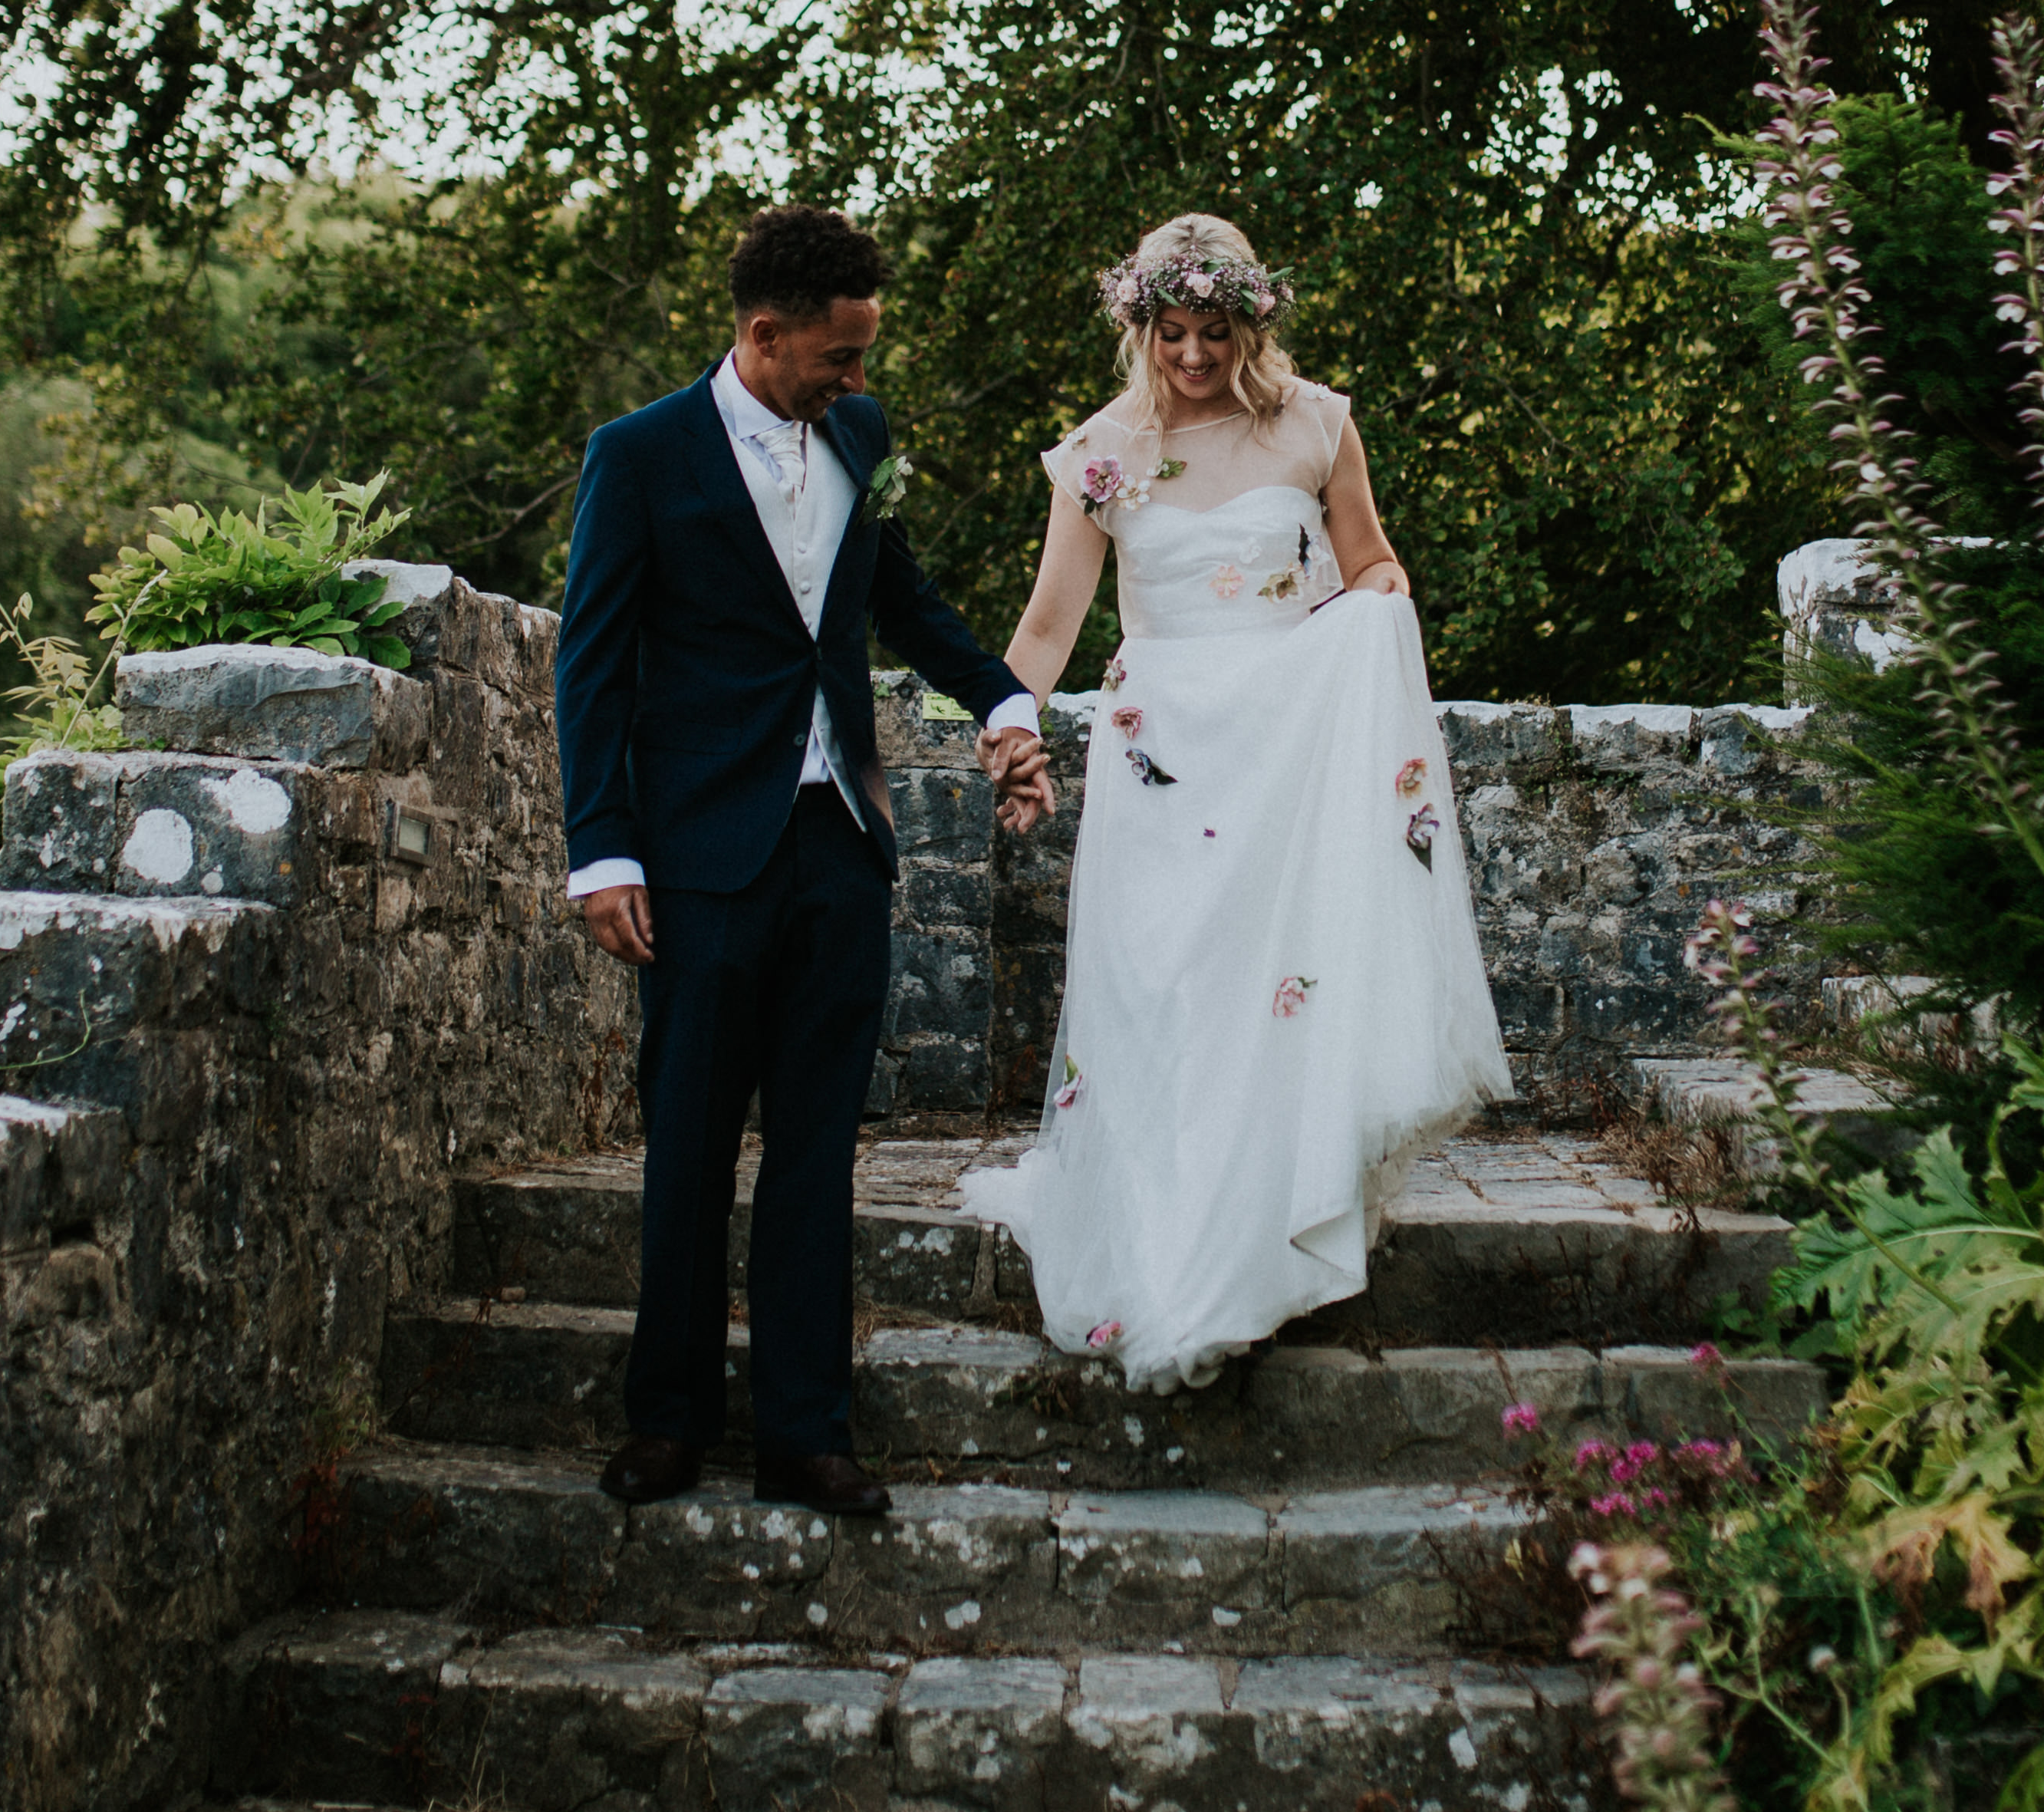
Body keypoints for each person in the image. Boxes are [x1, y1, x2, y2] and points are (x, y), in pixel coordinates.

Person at [555, 204, 1055, 1515]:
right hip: (700, 852)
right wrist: (600, 849)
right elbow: (592, 666)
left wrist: (1003, 702)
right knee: (688, 1142)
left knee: (819, 1148)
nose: (860, 380)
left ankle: (805, 1431)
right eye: (840, 356)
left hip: (842, 843)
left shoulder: (862, 438)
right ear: (764, 334)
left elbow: (906, 601)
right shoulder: (640, 455)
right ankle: (667, 1420)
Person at [956, 213, 1511, 1391]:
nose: (1194, 357)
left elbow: (1372, 566)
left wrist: (1372, 616)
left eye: (1215, 332)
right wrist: (1010, 721)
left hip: (1287, 745)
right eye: (1173, 333)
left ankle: (1273, 1219)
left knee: (1277, 991)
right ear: (1140, 326)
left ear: (1251, 324)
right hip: (1165, 750)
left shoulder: (1317, 422)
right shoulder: (1099, 455)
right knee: (1165, 992)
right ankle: (1168, 1234)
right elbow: (1053, 623)